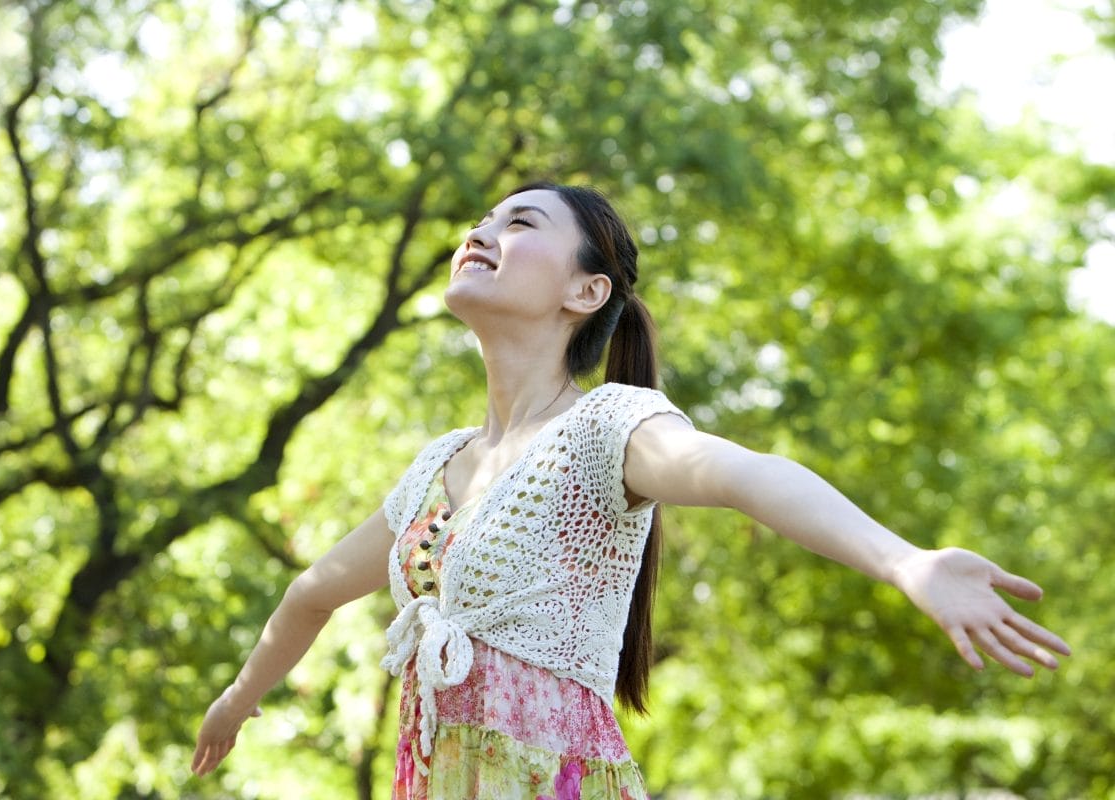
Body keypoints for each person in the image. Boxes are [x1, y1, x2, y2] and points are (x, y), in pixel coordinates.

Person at [191, 182, 1071, 798]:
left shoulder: (606, 427)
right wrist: (239, 699)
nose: (481, 231)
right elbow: (311, 595)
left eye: (520, 222)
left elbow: (746, 477)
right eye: (482, 220)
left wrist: (907, 562)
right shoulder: (437, 465)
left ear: (587, 289)